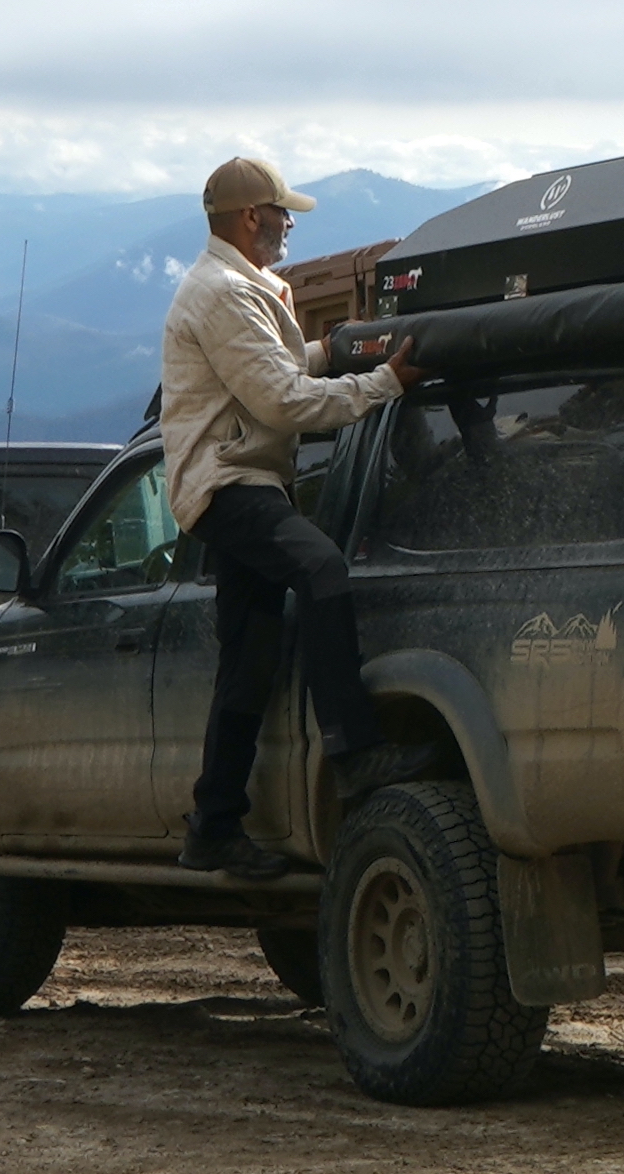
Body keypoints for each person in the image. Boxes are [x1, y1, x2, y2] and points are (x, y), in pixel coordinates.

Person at [159, 156, 434, 881]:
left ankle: (213, 824)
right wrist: (382, 383)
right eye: (283, 214)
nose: (288, 226)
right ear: (253, 217)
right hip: (230, 481)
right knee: (320, 568)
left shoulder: (233, 288)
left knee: (247, 660)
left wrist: (343, 345)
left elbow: (276, 364)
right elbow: (280, 401)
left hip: (237, 481)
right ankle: (351, 748)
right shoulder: (222, 293)